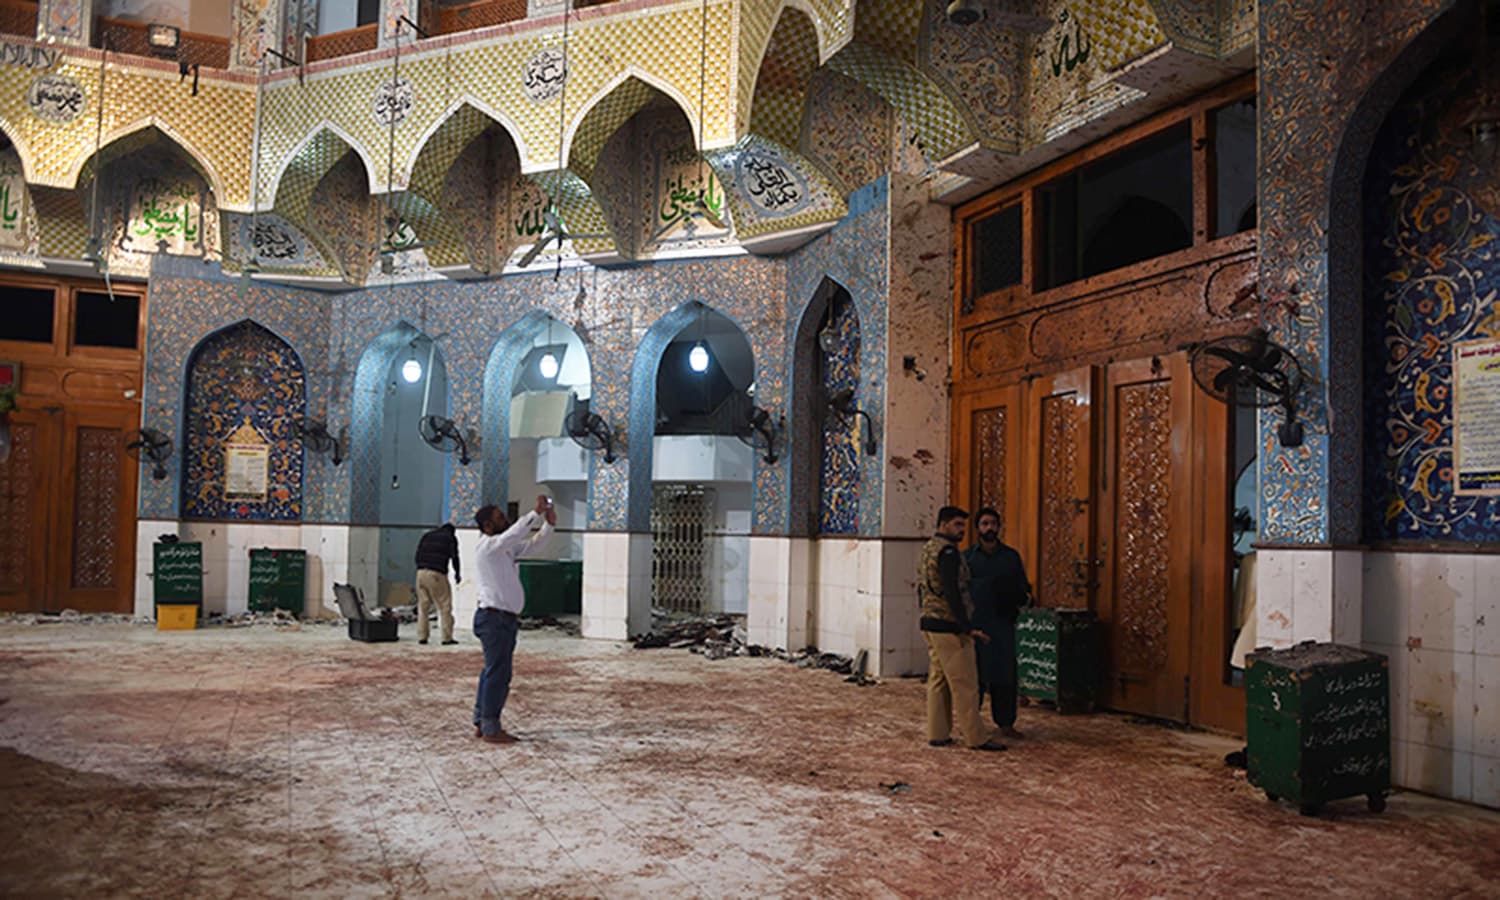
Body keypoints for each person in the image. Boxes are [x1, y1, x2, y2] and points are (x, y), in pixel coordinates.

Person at [918, 505, 1006, 752]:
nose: (962, 531)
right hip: (948, 626)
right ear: (944, 524)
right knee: (965, 683)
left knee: (939, 680)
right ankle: (976, 737)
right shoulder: (947, 552)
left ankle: (938, 733)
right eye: (957, 525)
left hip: (930, 622)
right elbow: (952, 592)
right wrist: (966, 626)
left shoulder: (929, 548)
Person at [472, 494, 555, 745]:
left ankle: (482, 720)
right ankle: (490, 727)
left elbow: (532, 545)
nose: (505, 519)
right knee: (498, 675)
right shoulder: (488, 547)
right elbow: (514, 534)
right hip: (493, 620)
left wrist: (548, 525)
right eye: (499, 517)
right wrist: (535, 513)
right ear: (487, 526)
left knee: (492, 673)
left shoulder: (503, 550)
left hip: (502, 620)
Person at [964, 507, 1031, 739]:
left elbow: (1023, 588)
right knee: (976, 676)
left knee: (1005, 675)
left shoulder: (1010, 557)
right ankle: (972, 724)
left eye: (993, 523)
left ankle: (1005, 723)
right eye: (984, 524)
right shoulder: (968, 558)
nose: (989, 528)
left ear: (999, 527)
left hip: (1002, 624)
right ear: (977, 528)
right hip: (977, 624)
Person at [413, 522, 461, 645]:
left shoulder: (427, 535)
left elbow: (417, 555)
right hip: (436, 573)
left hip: (420, 572)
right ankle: (446, 638)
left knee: (423, 607)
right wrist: (457, 573)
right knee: (445, 606)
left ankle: (422, 636)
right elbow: (455, 557)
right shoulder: (450, 538)